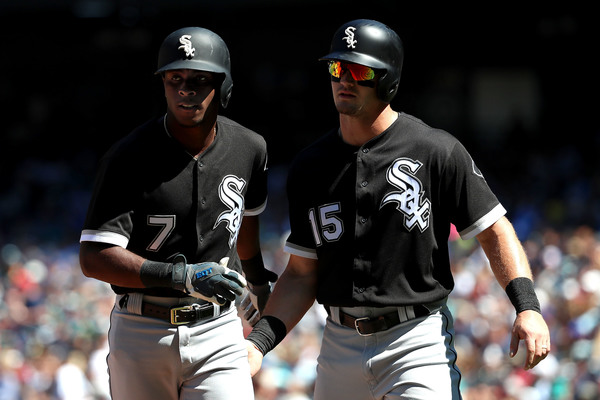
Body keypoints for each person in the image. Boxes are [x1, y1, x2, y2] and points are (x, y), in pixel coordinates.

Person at [246, 19, 550, 399]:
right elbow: (302, 273)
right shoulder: (310, 166)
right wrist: (258, 344)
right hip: (338, 344)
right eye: (337, 68)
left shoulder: (435, 150)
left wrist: (528, 307)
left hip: (416, 340)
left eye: (358, 70)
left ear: (388, 80)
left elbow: (495, 230)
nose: (344, 79)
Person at [79, 26, 276, 400]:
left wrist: (258, 281)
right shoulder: (127, 157)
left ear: (224, 85)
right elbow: (93, 258)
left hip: (217, 329)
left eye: (200, 79)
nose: (186, 89)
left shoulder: (250, 148)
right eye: (175, 79)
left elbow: (245, 224)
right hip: (142, 329)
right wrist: (180, 276)